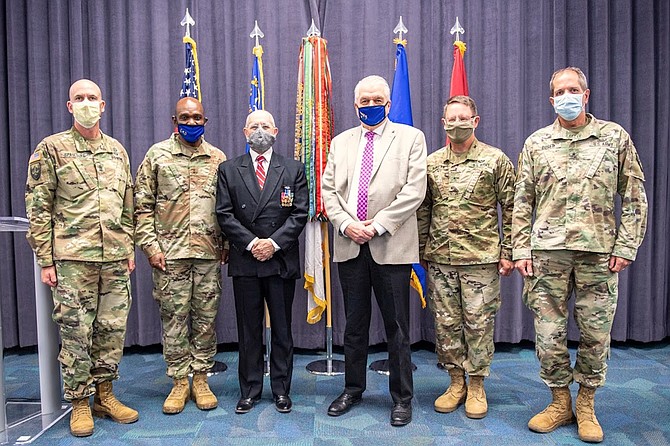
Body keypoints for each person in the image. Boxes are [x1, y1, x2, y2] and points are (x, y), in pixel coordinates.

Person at [512, 67, 648, 443]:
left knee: (595, 333)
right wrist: (520, 247)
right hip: (547, 254)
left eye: (574, 90)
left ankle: (586, 404)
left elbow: (634, 195)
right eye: (560, 91)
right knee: (548, 333)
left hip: (598, 254)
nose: (567, 96)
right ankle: (559, 402)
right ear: (551, 98)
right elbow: (522, 201)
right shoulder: (537, 142)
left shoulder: (614, 137)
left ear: (586, 96)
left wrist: (626, 245)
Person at [25, 79, 138, 437]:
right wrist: (45, 258)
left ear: (103, 106)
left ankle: (105, 395)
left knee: (111, 330)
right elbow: (38, 207)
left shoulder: (117, 150)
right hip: (73, 260)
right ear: (69, 106)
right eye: (79, 98)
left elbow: (128, 206)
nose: (86, 103)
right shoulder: (51, 149)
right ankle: (78, 401)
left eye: (92, 98)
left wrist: (128, 249)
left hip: (115, 259)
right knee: (76, 333)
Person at [322, 75, 427, 426]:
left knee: (397, 325)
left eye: (376, 99)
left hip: (391, 244)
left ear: (387, 103)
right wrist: (346, 224)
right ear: (355, 106)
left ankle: (402, 398)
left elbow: (414, 190)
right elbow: (328, 193)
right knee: (354, 324)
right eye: (363, 101)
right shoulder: (340, 142)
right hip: (349, 242)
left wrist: (377, 224)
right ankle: (353, 389)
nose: (370, 105)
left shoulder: (411, 138)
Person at [417, 95, 515, 419]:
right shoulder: (431, 163)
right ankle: (455, 382)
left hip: (481, 260)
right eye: (451, 119)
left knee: (478, 325)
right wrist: (421, 249)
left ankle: (476, 385)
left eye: (463, 118)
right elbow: (424, 210)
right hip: (441, 259)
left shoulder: (495, 160)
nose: (457, 124)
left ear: (476, 120)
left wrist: (509, 250)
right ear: (443, 124)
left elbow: (512, 206)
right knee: (446, 325)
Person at [134, 97, 227, 414]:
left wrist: (225, 244)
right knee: (173, 321)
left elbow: (225, 209)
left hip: (207, 255)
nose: (191, 122)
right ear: (175, 120)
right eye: (185, 117)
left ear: (205, 120)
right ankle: (178, 382)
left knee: (205, 322)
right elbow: (142, 206)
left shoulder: (217, 158)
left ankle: (200, 379)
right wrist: (150, 246)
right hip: (168, 256)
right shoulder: (157, 156)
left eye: (197, 117)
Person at [216, 110, 308, 415]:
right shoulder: (228, 169)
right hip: (247, 259)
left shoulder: (293, 169)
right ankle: (250, 390)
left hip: (280, 259)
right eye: (254, 126)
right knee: (249, 329)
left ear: (276, 130)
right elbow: (224, 214)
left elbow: (299, 213)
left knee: (282, 329)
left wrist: (273, 243)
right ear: (244, 132)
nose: (259, 130)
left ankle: (281, 389)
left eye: (265, 125)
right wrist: (254, 243)